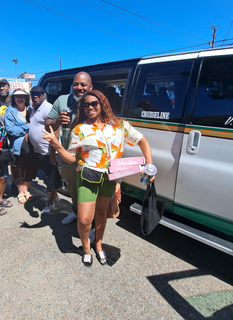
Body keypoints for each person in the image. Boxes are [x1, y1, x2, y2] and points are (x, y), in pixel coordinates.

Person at [42, 90, 154, 267]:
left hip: (110, 177)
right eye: (85, 105)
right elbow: (72, 158)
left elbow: (142, 141)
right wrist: (56, 145)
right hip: (87, 176)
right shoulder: (79, 129)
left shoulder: (119, 126)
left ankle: (99, 244)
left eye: (94, 103)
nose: (89, 107)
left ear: (102, 103)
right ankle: (86, 248)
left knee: (102, 213)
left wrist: (149, 164)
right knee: (85, 219)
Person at [45, 71, 93, 225]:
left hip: (91, 157)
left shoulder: (95, 102)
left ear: (90, 87)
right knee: (72, 188)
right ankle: (75, 212)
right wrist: (57, 121)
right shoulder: (62, 100)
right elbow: (47, 124)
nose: (79, 87)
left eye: (83, 84)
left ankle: (89, 222)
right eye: (76, 84)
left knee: (89, 191)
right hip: (68, 155)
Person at [28, 86, 62, 214]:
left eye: (38, 94)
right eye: (33, 94)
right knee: (49, 175)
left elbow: (56, 130)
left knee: (51, 178)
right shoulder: (35, 108)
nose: (35, 96)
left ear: (44, 95)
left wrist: (53, 153)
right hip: (40, 150)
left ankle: (51, 202)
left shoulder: (48, 108)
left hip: (48, 151)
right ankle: (55, 196)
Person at [4, 88, 37, 204]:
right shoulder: (10, 111)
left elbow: (37, 125)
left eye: (22, 96)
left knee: (30, 168)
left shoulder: (31, 109)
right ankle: (20, 192)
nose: (20, 98)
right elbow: (11, 130)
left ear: (26, 98)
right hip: (17, 147)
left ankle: (26, 190)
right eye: (17, 96)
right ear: (13, 98)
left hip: (31, 145)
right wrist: (28, 127)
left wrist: (29, 130)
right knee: (18, 169)